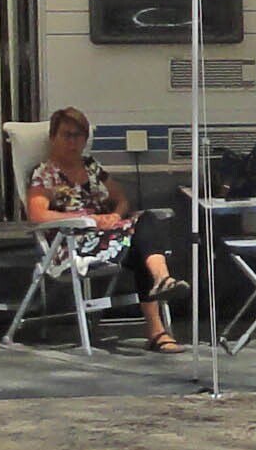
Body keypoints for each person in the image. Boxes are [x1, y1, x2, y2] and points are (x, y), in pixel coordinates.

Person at [24, 105, 189, 351]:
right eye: (66, 135)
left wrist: (114, 216)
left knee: (147, 223)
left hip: (109, 237)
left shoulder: (91, 167)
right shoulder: (45, 174)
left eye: (79, 136)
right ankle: (157, 327)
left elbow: (121, 199)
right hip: (74, 242)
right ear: (52, 138)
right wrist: (85, 218)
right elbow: (37, 214)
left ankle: (161, 283)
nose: (73, 142)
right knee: (142, 243)